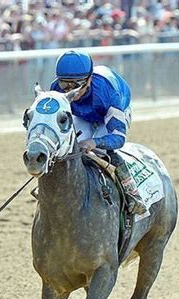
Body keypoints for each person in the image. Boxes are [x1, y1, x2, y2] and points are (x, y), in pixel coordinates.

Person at [50, 50, 147, 215]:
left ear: (89, 79)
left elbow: (118, 138)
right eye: (65, 84)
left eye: (77, 84)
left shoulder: (107, 92)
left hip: (112, 110)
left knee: (102, 151)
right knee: (70, 147)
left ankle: (132, 194)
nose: (70, 90)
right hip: (83, 114)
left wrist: (95, 142)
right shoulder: (55, 90)